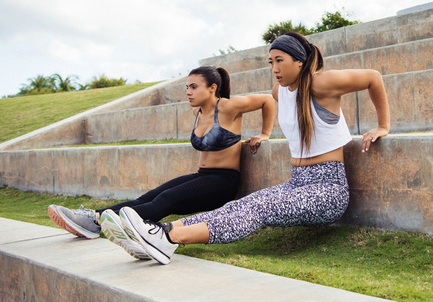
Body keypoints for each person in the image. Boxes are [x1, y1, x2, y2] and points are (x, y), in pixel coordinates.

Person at [110, 32, 390, 264]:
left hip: (328, 190)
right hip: (297, 183)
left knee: (261, 207)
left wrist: (382, 126)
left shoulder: (321, 83)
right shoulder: (280, 92)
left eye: (280, 61)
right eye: (270, 62)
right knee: (241, 204)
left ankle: (168, 240)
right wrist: (265, 134)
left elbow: (373, 77)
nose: (275, 69)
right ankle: (160, 230)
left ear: (300, 61)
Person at [48, 66, 275, 259]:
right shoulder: (199, 112)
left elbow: (267, 100)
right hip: (202, 177)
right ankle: (94, 219)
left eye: (193, 87)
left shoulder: (227, 107)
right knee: (149, 197)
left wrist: (265, 134)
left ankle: (97, 220)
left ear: (212, 88)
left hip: (222, 182)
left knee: (166, 199)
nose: (188, 92)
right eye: (186, 87)